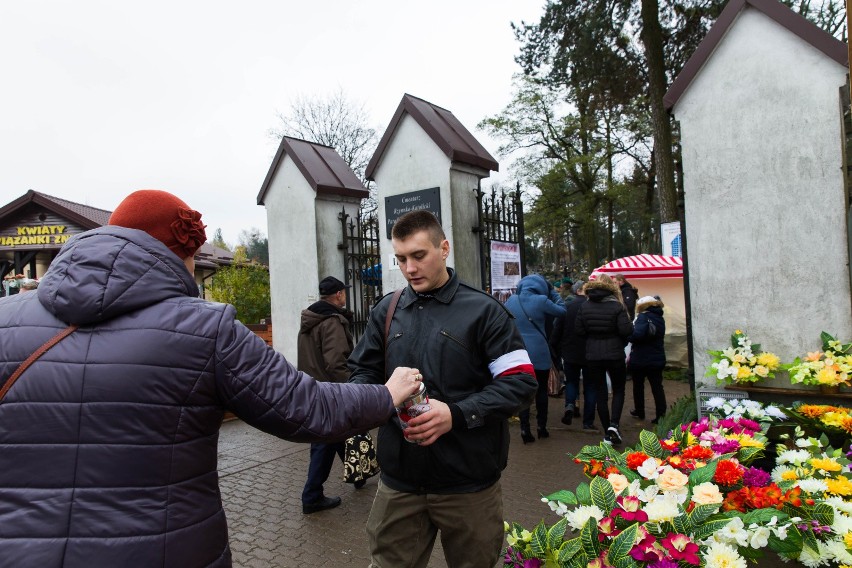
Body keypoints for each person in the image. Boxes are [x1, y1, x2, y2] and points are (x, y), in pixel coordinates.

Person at [0, 189, 422, 568]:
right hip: (162, 551)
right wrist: (386, 395)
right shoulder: (205, 329)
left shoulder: (7, 321)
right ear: (181, 253)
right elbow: (307, 409)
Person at [348, 210, 537, 568]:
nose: (409, 268)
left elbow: (521, 383)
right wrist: (376, 401)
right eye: (401, 258)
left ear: (444, 248)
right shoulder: (387, 310)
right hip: (399, 482)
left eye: (419, 255)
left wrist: (456, 414)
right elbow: (362, 371)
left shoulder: (485, 311)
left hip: (468, 484)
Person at [298, 275, 362, 514]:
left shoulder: (310, 319)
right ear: (338, 295)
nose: (345, 295)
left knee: (337, 434)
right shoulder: (332, 321)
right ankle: (312, 496)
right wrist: (353, 391)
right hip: (331, 392)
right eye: (344, 292)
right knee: (325, 442)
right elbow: (336, 363)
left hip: (313, 388)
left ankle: (359, 472)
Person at [505, 274, 565, 443]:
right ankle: (541, 427)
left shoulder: (511, 300)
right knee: (541, 392)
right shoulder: (541, 300)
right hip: (539, 352)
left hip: (519, 353)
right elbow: (562, 311)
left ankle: (524, 429)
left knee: (524, 392)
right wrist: (553, 294)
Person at [576, 275, 633, 446]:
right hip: (614, 353)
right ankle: (614, 425)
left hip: (593, 354)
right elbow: (626, 331)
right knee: (618, 389)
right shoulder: (617, 306)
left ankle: (607, 430)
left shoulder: (585, 306)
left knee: (600, 392)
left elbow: (578, 330)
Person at [551, 280, 596, 430]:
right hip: (590, 352)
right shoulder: (593, 307)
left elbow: (557, 329)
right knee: (590, 386)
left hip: (570, 351)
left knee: (571, 381)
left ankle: (570, 404)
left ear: (576, 291)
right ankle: (588, 422)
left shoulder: (567, 306)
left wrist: (555, 348)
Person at [628, 296, 668, 424]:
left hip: (641, 357)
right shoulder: (660, 317)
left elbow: (637, 335)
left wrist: (629, 336)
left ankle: (639, 410)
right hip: (657, 357)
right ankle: (661, 414)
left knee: (638, 386)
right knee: (657, 387)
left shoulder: (643, 317)